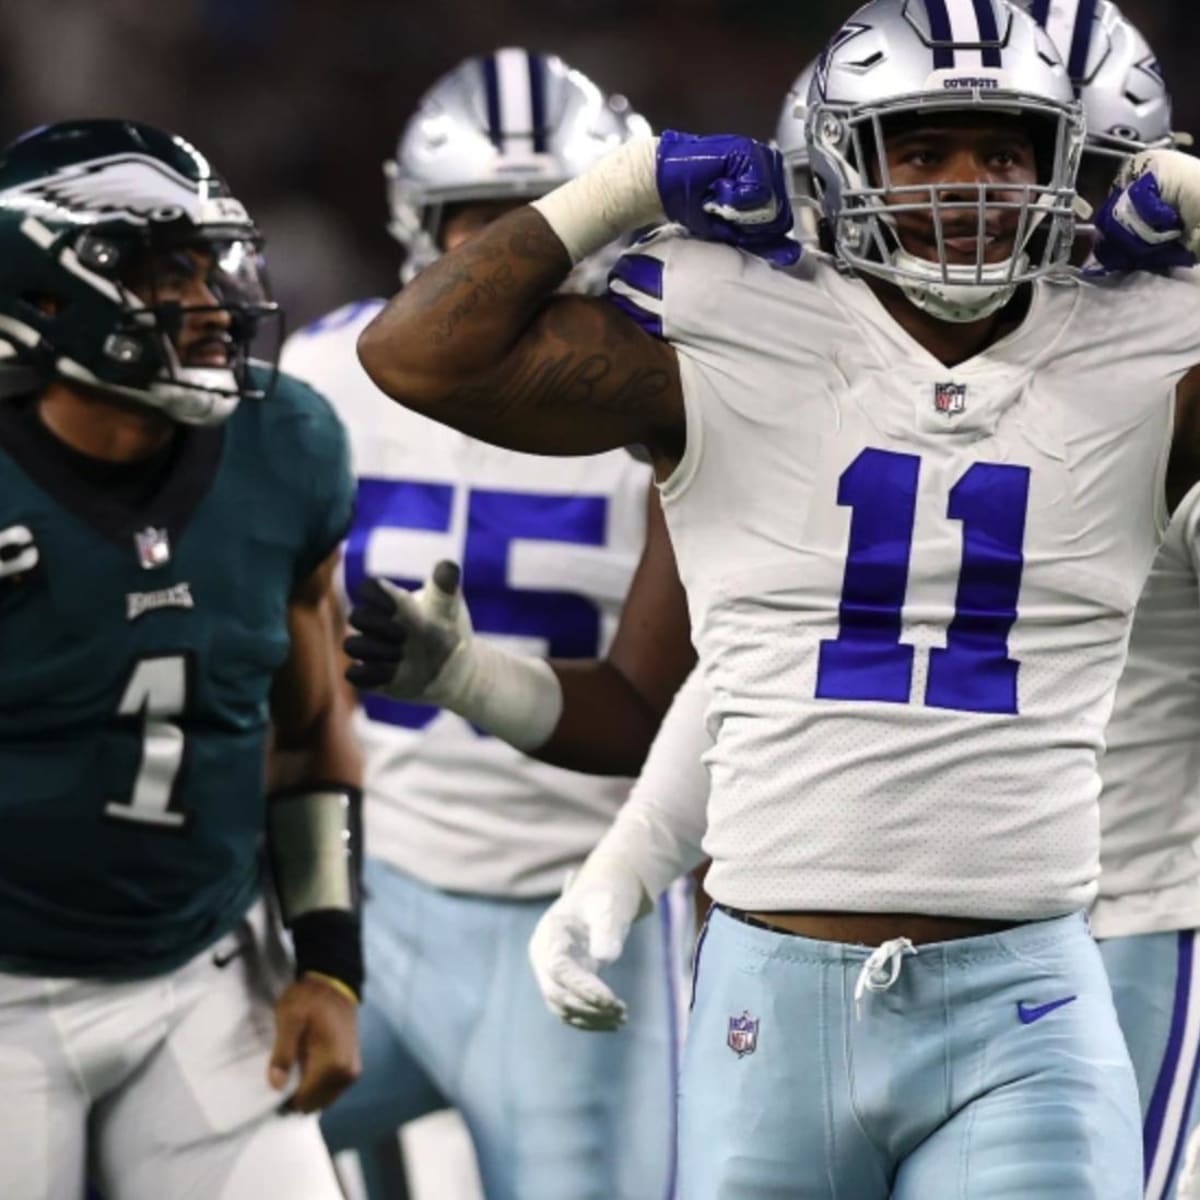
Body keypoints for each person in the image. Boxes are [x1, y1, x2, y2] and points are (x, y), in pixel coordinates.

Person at [346, 0, 1200, 1191]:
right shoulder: (740, 324)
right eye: (923, 149)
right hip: (769, 993)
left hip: (1031, 991)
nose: (969, 187)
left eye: (1005, 150)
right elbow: (415, 357)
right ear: (839, 165)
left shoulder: (1150, 340)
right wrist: (626, 182)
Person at [279, 48, 691, 1200]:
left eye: (540, 221)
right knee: (181, 1140)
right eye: (479, 225)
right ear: (422, 229)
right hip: (384, 902)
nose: (509, 256)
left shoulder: (681, 389)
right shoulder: (323, 372)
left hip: (584, 908)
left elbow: (678, 698)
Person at [0, 119, 363, 1200]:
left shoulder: (286, 444)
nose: (211, 302)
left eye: (211, 264)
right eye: (166, 272)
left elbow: (309, 732)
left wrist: (331, 960)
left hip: (205, 973)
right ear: (44, 291)